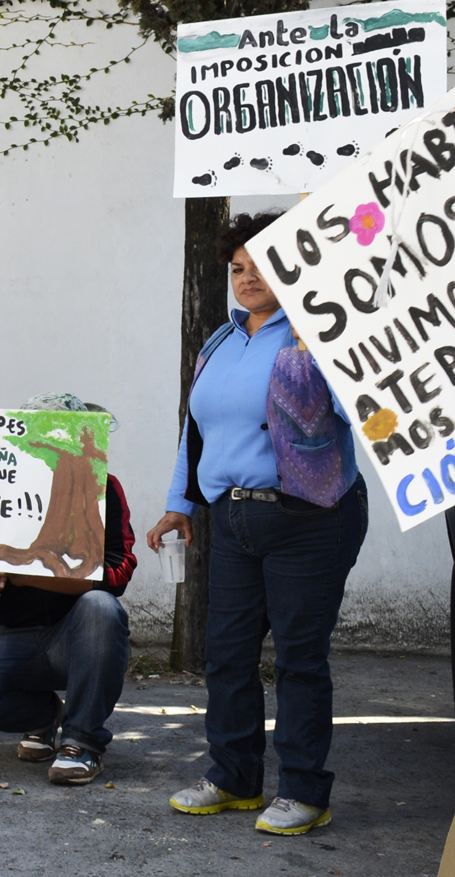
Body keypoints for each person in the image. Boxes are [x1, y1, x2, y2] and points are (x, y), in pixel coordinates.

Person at [145, 211, 366, 836]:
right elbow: (196, 430)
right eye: (238, 268)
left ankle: (304, 790)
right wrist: (180, 503)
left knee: (299, 659)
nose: (247, 278)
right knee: (227, 655)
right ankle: (234, 777)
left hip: (309, 516)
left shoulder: (319, 333)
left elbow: (366, 408)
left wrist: (333, 361)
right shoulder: (220, 341)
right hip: (234, 519)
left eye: (262, 265)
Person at [0, 398, 137, 785]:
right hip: (12, 636)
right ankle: (46, 717)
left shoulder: (103, 488)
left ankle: (82, 742)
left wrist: (28, 576)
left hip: (78, 635)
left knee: (101, 608)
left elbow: (117, 574)